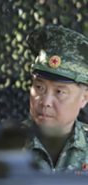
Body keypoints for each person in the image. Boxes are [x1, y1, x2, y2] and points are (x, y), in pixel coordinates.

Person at [24, 25, 88, 172]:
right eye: (39, 87)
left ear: (84, 98)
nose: (45, 102)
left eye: (59, 92)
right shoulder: (6, 146)